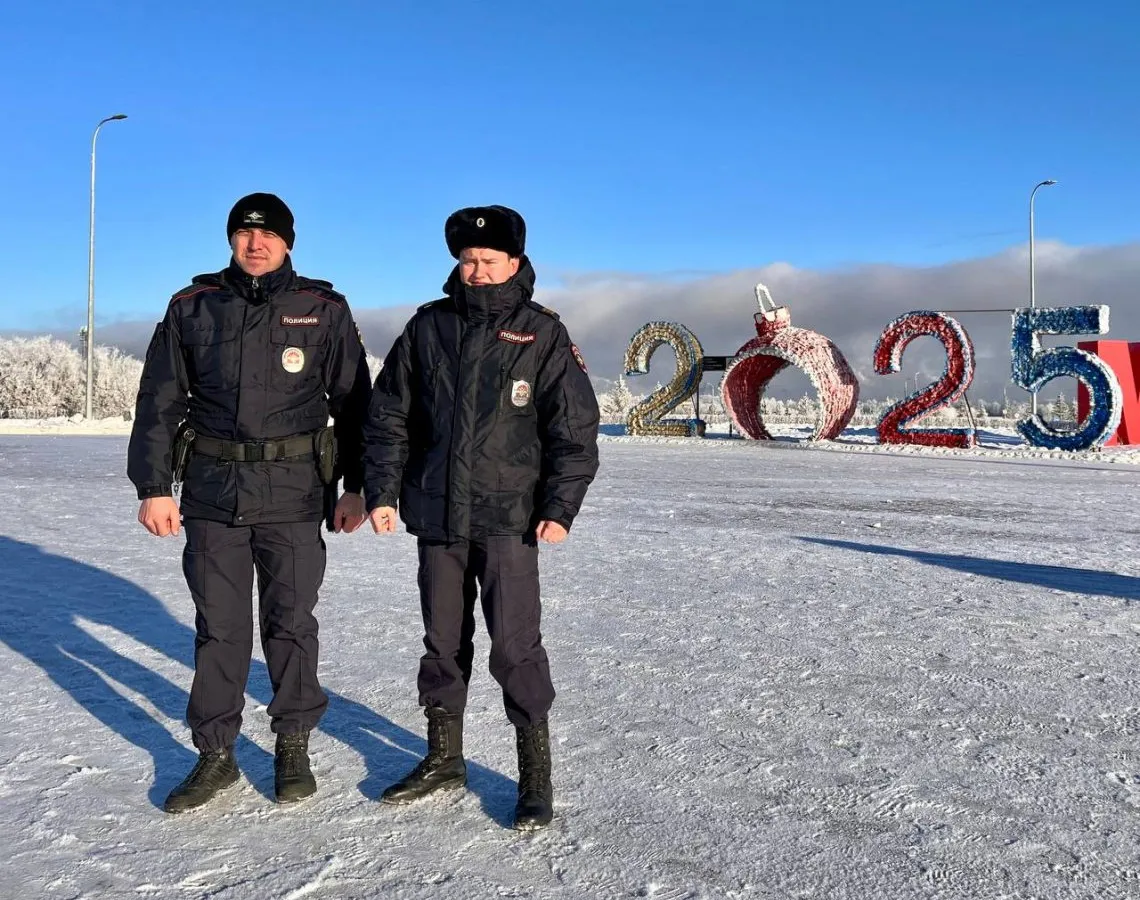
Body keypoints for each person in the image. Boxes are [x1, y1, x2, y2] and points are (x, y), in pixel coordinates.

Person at [127, 192, 373, 813]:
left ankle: (292, 743)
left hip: (294, 494)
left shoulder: (323, 309)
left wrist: (357, 486)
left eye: (267, 235)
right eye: (243, 233)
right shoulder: (192, 306)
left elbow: (355, 406)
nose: (255, 244)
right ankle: (216, 753)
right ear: (231, 239)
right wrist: (153, 487)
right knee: (221, 629)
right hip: (213, 495)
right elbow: (159, 401)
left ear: (288, 242)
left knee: (291, 624)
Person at [362, 205, 600, 830]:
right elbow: (388, 416)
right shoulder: (428, 327)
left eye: (489, 260)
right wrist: (381, 492)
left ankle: (534, 777)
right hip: (437, 515)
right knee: (442, 644)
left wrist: (560, 507)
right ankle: (444, 758)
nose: (477, 271)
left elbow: (574, 430)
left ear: (515, 263)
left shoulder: (542, 333)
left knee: (516, 649)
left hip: (509, 520)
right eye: (468, 260)